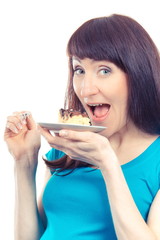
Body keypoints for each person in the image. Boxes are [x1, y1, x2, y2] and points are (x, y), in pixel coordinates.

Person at [4, 14, 160, 240]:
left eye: (104, 71)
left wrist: (108, 164)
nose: (86, 90)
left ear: (138, 75)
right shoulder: (68, 147)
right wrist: (24, 162)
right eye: (79, 70)